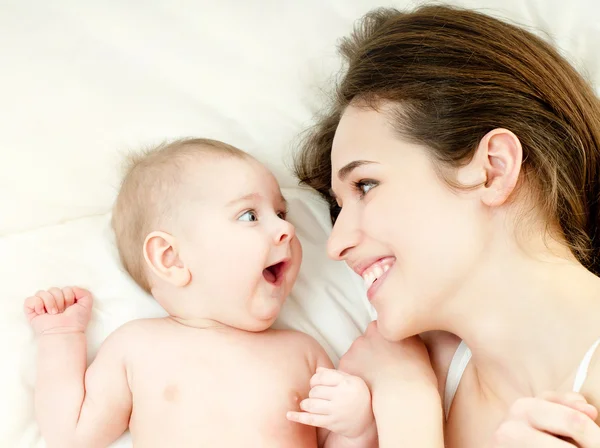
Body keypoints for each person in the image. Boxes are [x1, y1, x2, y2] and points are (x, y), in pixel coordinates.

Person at [294, 4, 600, 447]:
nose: (335, 244)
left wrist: (406, 414)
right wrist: (406, 402)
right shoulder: (386, 379)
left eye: (365, 184)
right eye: (339, 209)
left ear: (493, 169)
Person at [24, 138, 377, 448]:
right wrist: (60, 337)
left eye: (281, 212)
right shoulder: (136, 347)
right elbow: (70, 436)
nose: (285, 227)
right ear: (171, 258)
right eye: (249, 215)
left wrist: (357, 426)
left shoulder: (303, 353)